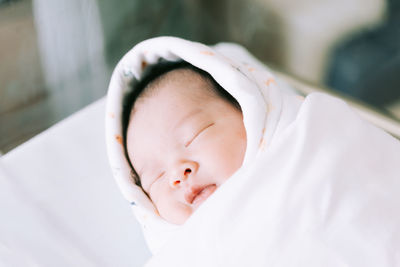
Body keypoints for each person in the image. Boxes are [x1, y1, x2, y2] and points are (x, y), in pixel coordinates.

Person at [105, 37, 400, 264]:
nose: (177, 175)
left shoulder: (314, 143)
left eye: (194, 135)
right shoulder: (183, 253)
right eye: (154, 176)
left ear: (248, 111)